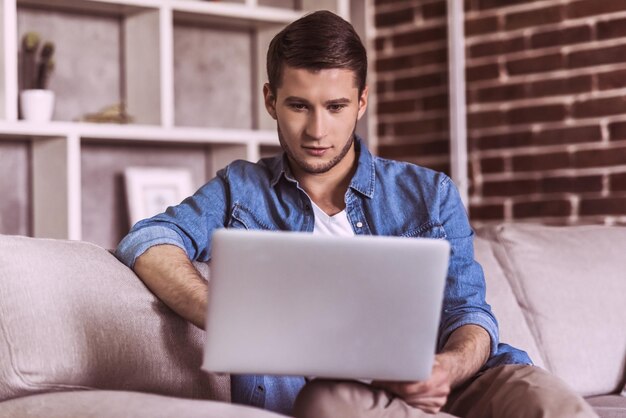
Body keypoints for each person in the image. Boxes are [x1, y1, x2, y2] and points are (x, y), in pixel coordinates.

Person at [116, 10, 598, 418]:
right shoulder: (241, 190)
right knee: (327, 403)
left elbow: (468, 313)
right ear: (271, 101)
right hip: (341, 401)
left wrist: (445, 369)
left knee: (549, 399)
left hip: (448, 384)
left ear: (362, 102)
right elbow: (149, 240)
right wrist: (230, 316)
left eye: (337, 106)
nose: (317, 130)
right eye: (299, 106)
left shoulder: (429, 194)